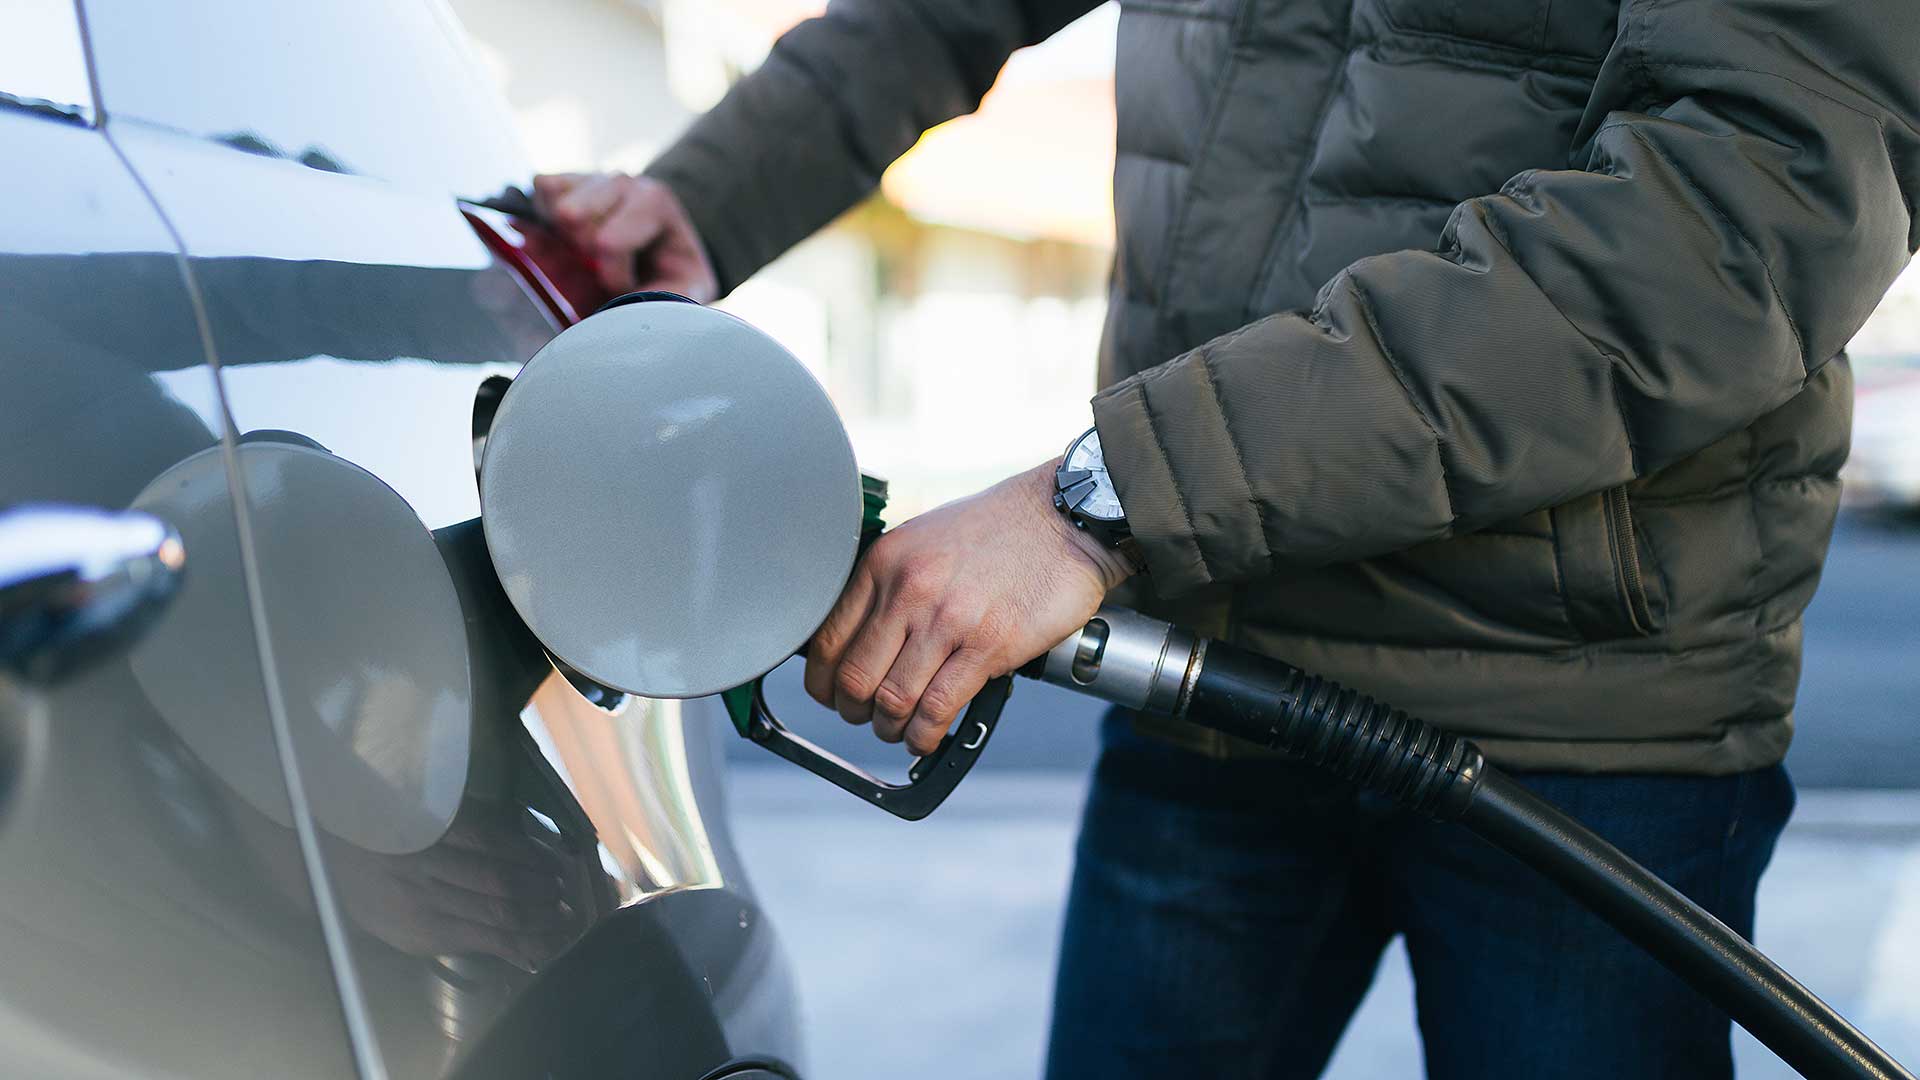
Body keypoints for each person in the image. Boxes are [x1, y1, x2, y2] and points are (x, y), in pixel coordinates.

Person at [535, 3, 1920, 1076]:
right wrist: (710, 195)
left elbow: (1738, 218)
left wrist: (1111, 494)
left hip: (1582, 719)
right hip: (1213, 659)